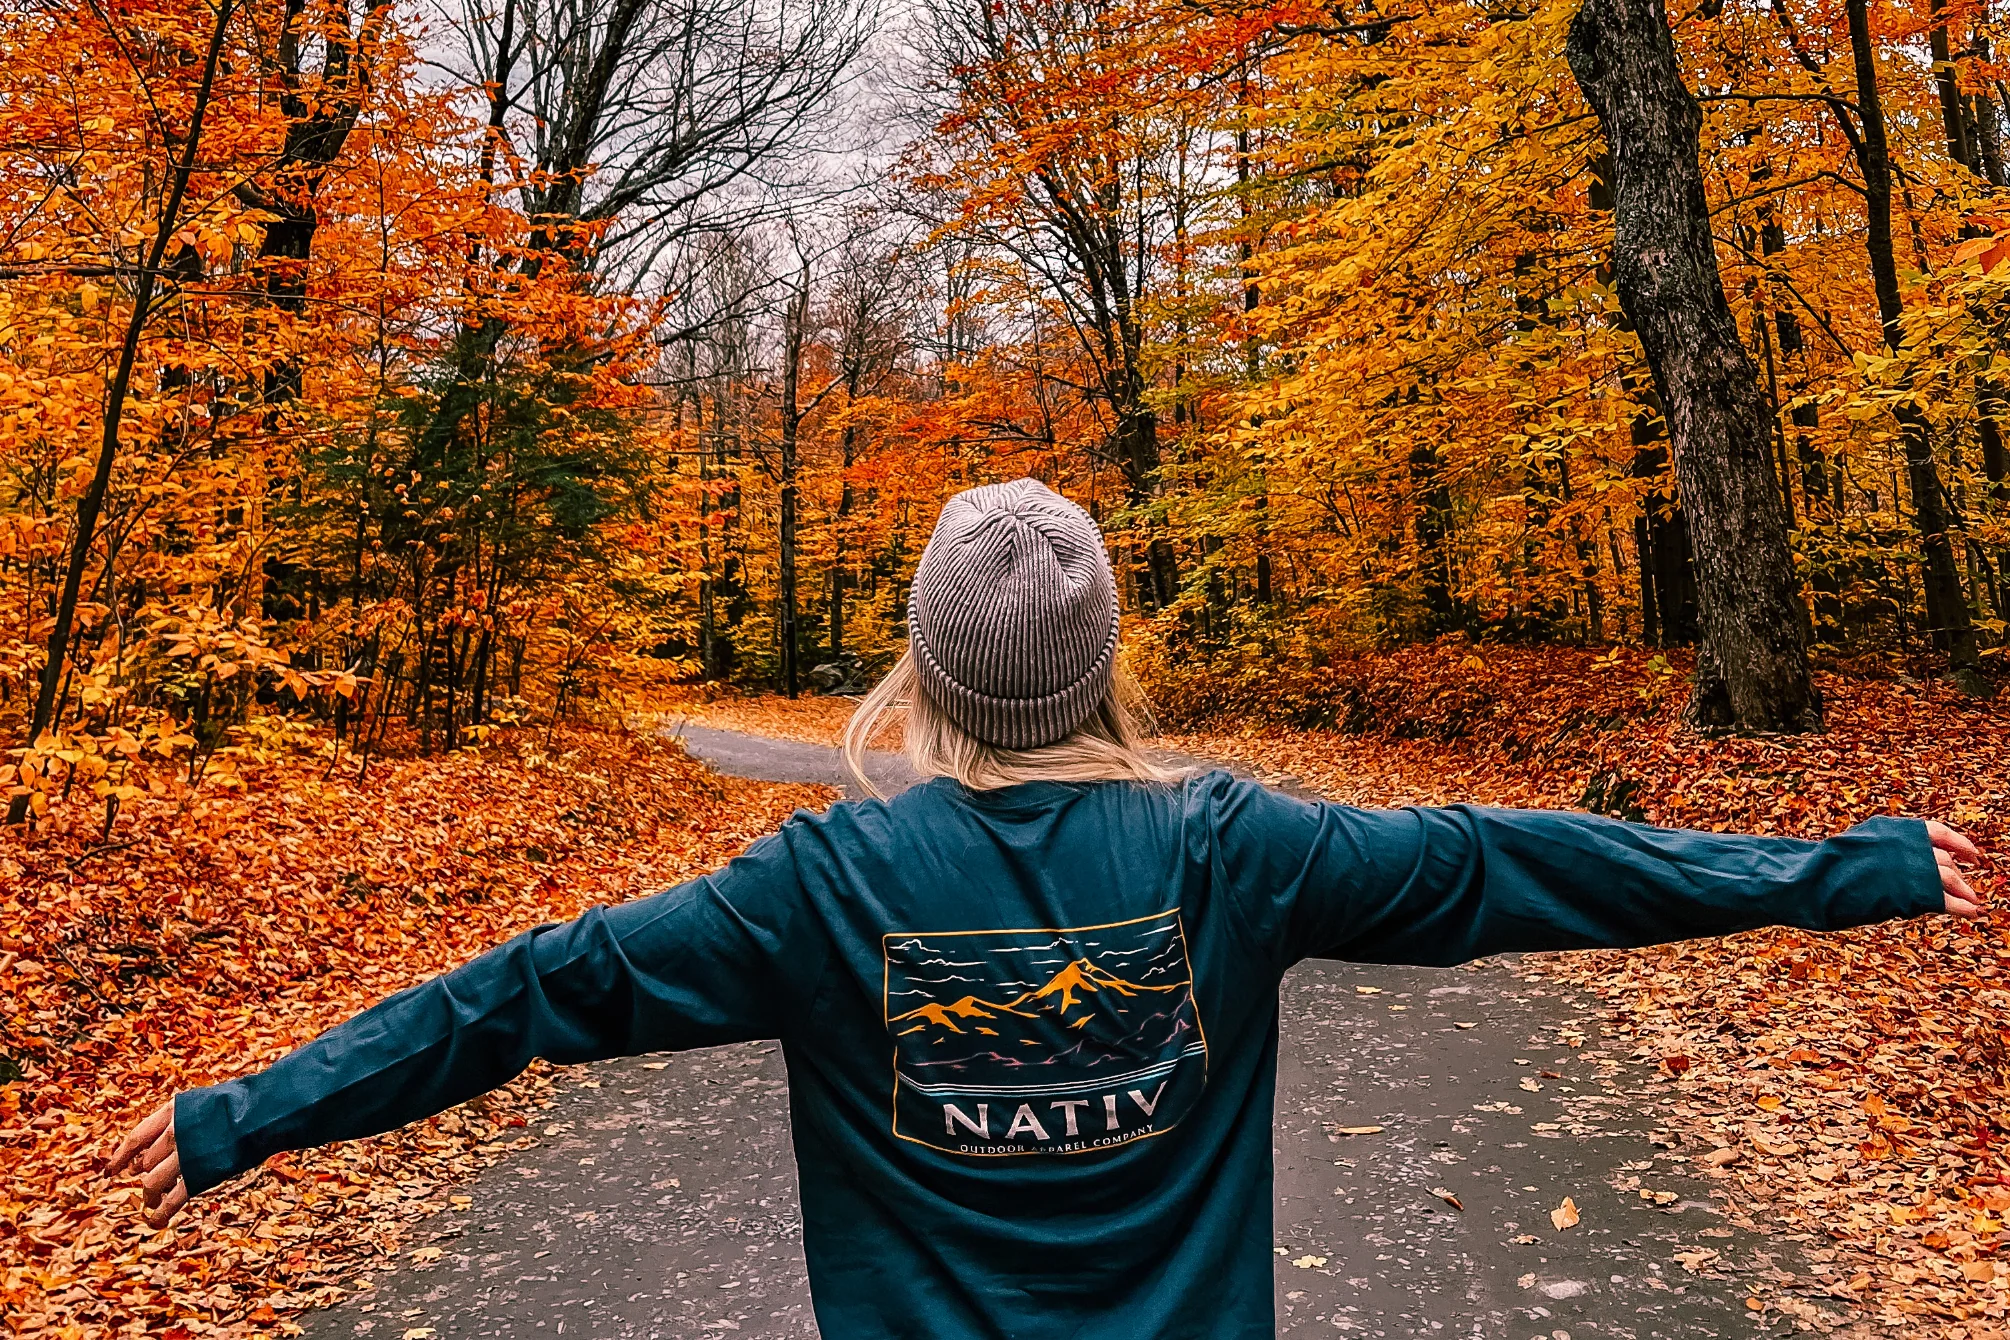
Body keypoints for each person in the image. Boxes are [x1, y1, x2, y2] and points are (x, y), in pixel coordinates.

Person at [109, 479, 1983, 1339]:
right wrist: (1853, 871)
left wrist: (236, 1116)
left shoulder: (812, 884)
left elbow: (518, 997)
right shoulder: (1229, 848)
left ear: (920, 668)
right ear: (1099, 666)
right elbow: (1522, 865)